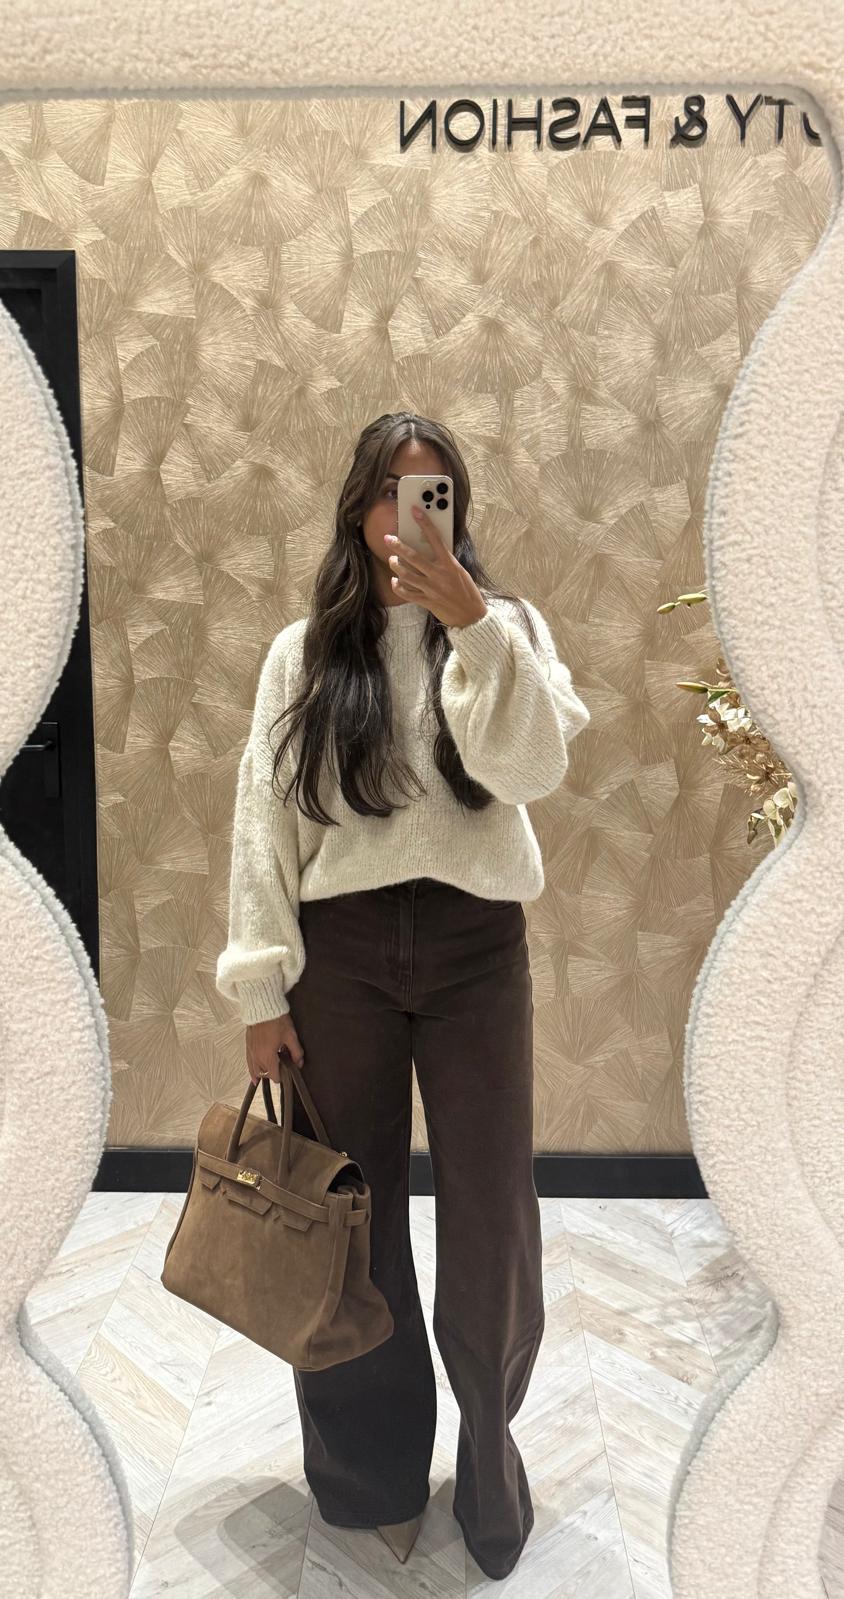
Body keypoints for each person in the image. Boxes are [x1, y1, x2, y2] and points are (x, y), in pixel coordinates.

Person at [215, 410, 590, 1580]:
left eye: (432, 494)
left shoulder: (505, 633)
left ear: (456, 512)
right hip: (343, 954)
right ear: (357, 509)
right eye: (389, 492)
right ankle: (366, 1472)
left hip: (477, 949)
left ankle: (487, 1461)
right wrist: (261, 989)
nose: (407, 516)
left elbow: (531, 769)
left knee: (493, 1213)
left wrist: (473, 626)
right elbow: (262, 823)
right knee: (349, 1218)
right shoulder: (304, 655)